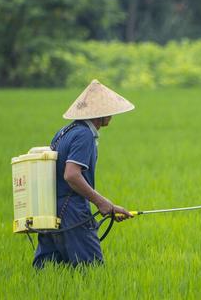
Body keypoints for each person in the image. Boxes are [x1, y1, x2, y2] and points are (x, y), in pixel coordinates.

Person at [33, 79, 134, 268]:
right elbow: (71, 175)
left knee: (51, 270)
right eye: (109, 111)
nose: (112, 115)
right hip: (71, 209)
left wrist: (109, 207)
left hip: (49, 207)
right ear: (100, 113)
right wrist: (102, 203)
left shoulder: (64, 132)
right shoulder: (84, 135)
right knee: (91, 270)